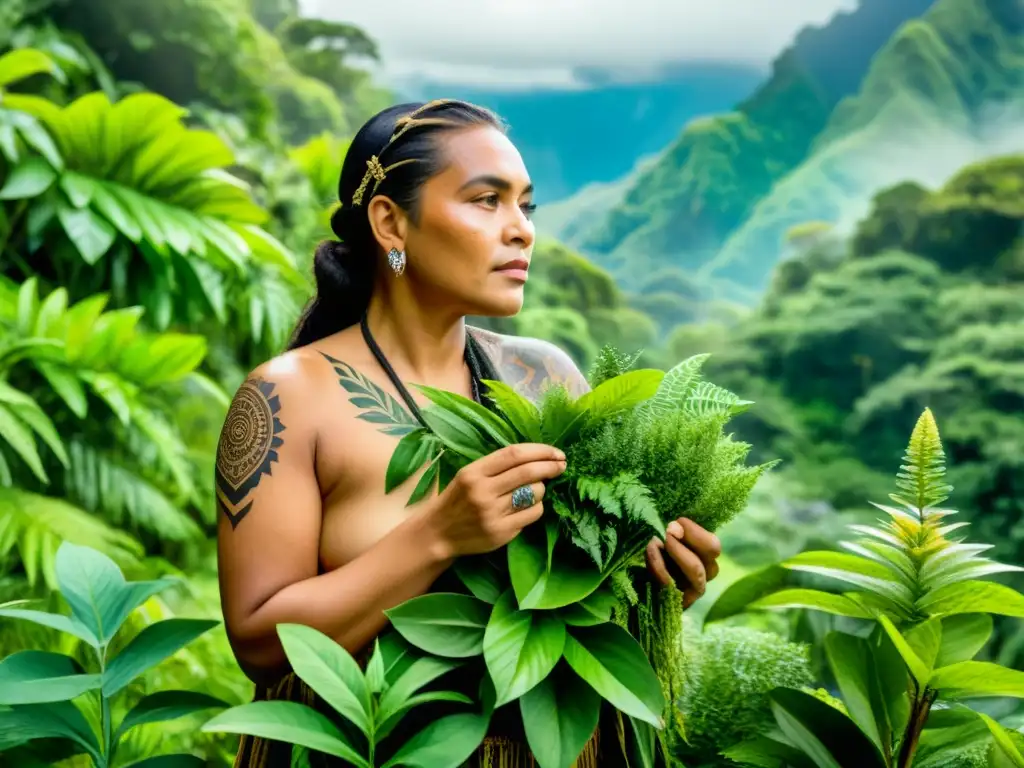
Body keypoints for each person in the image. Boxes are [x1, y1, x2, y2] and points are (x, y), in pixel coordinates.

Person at [215, 98, 723, 767]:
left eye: (526, 206)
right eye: (487, 201)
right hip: (363, 749)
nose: (520, 231)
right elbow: (259, 645)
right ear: (391, 222)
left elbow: (578, 607)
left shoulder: (546, 377)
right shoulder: (288, 397)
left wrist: (660, 584)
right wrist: (437, 535)